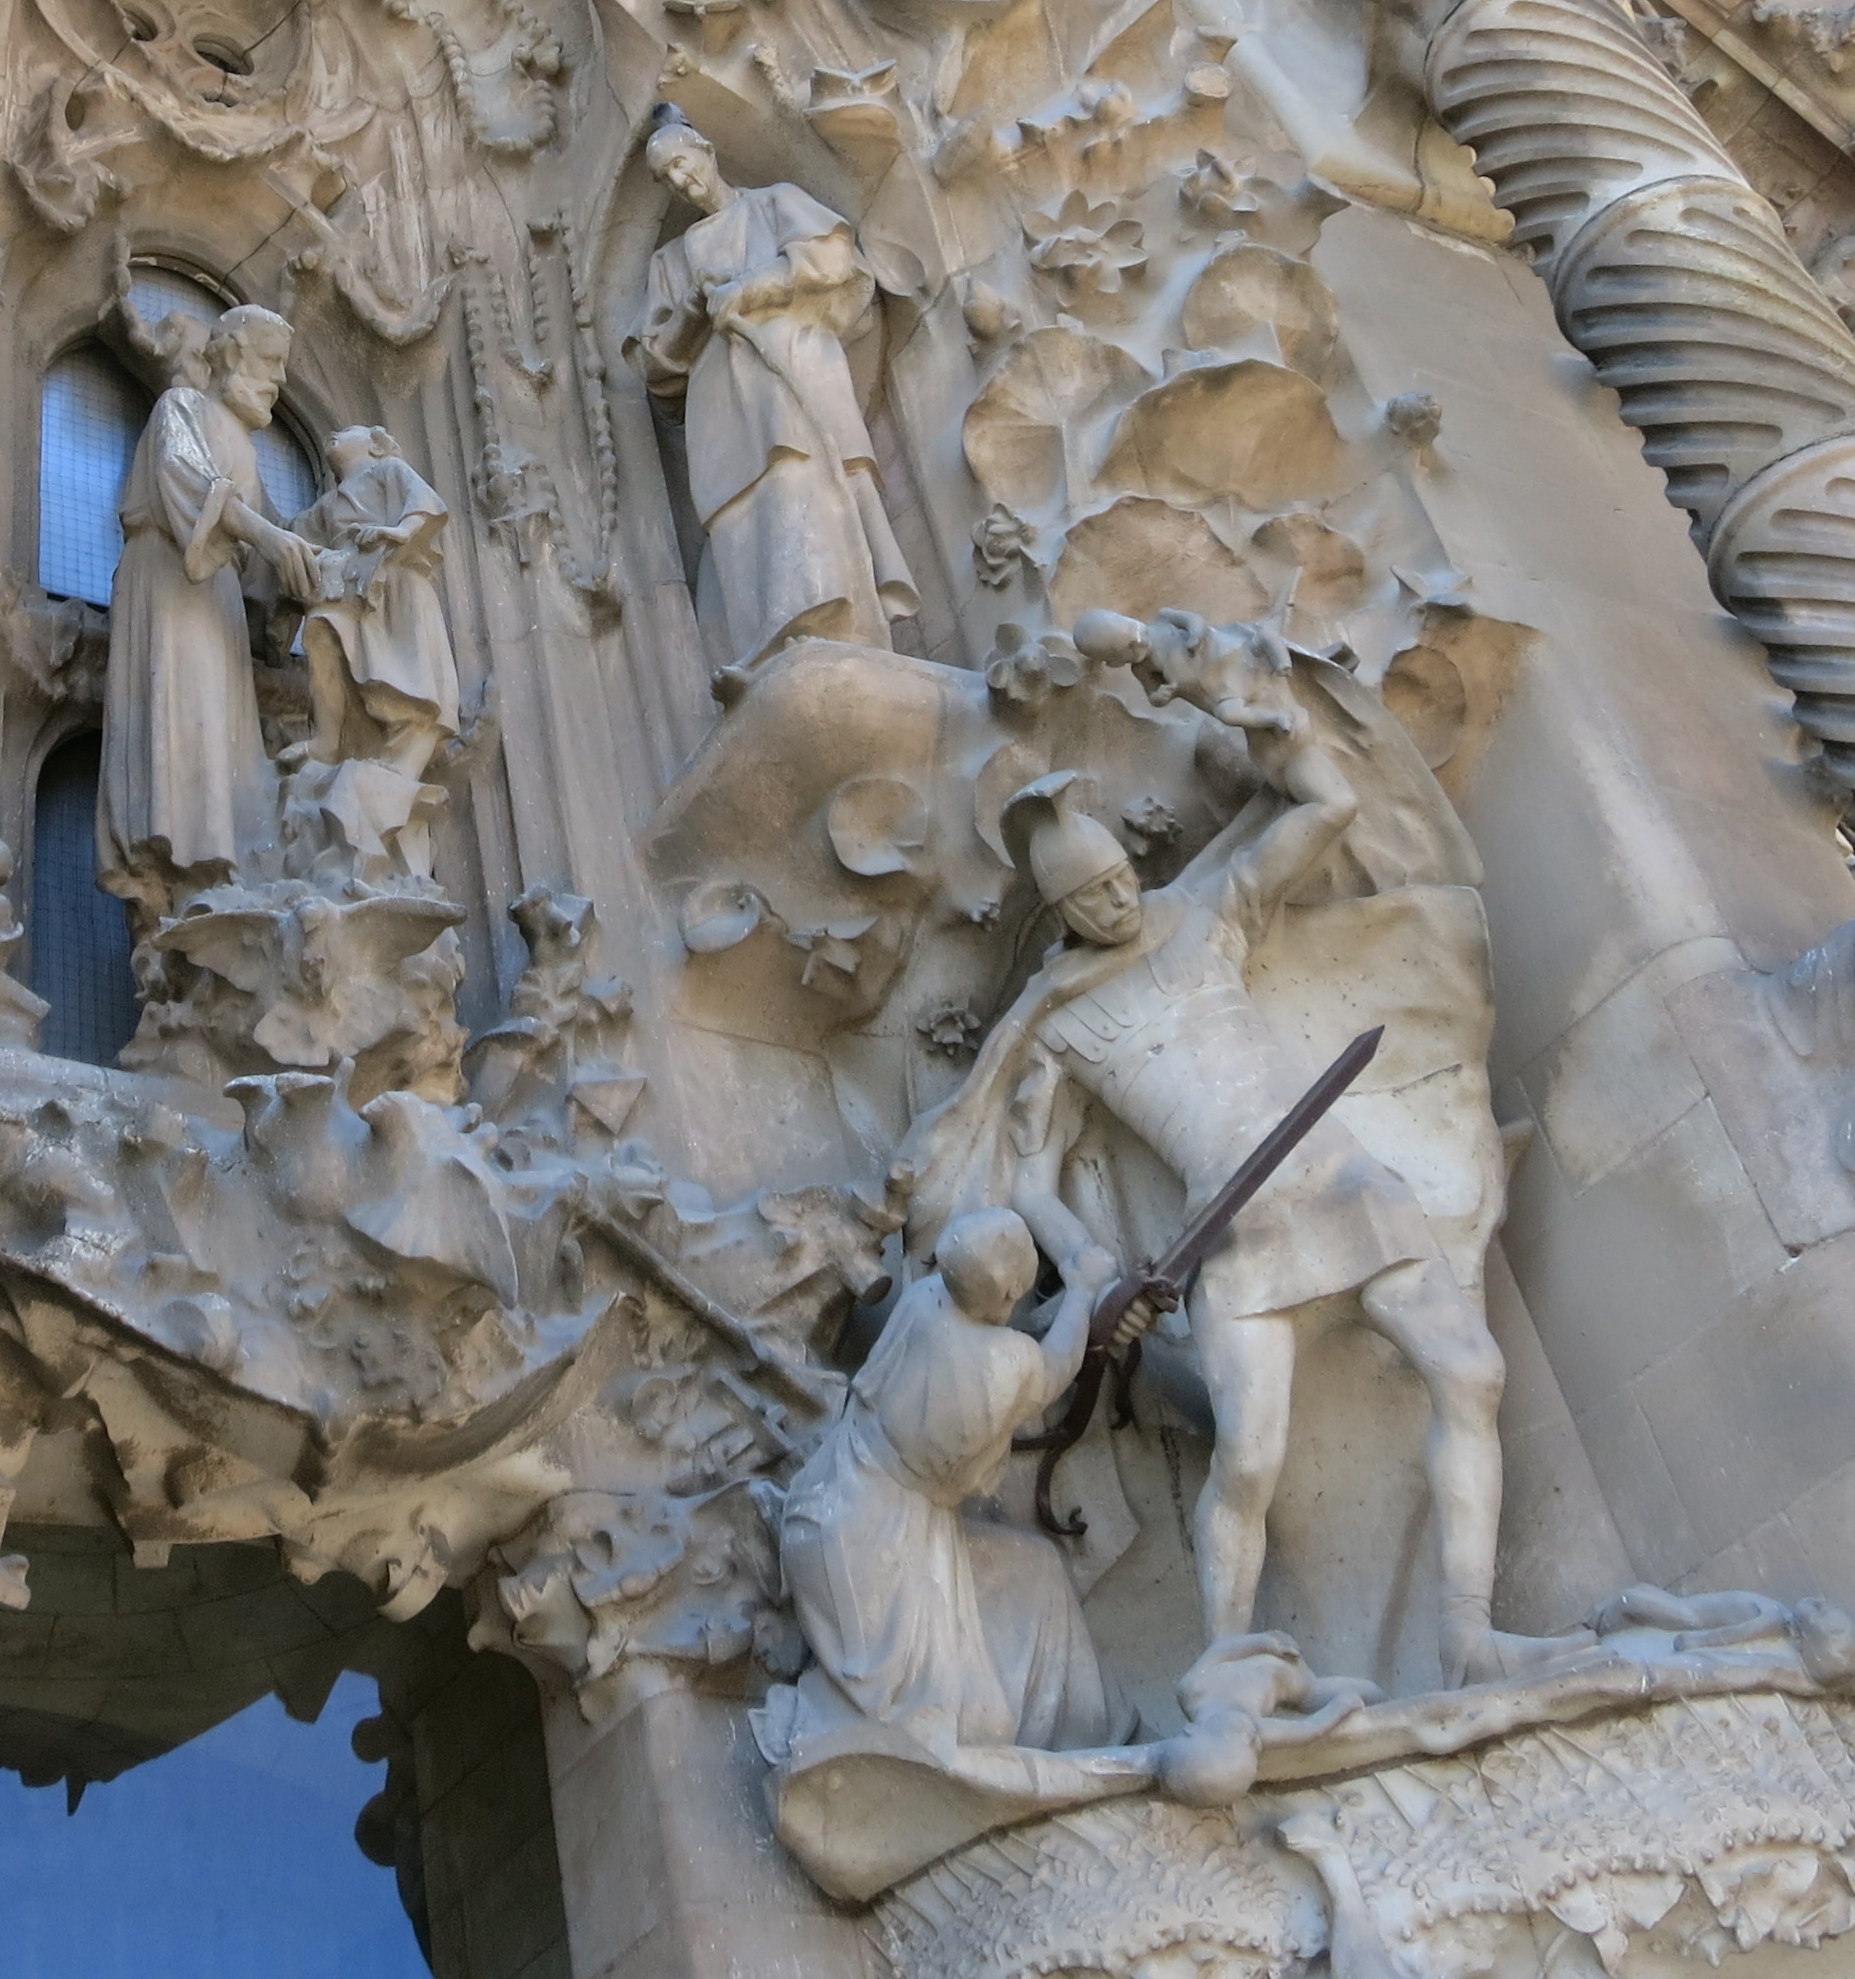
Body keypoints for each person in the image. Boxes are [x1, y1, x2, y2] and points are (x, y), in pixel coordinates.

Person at [915, 621, 1527, 1681]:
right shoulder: (1053, 1023)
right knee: (1247, 1459)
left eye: (1121, 876)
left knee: (1470, 1373)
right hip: (1234, 1235)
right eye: (1095, 895)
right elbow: (1027, 1179)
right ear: (1061, 913)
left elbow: (1327, 807)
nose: (1120, 898)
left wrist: (1239, 704)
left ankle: (1468, 1632)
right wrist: (1095, 1272)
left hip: (1340, 1180)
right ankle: (1222, 1665)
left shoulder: (1201, 916)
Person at [764, 1207, 1120, 1768]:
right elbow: (1056, 1366)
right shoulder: (1007, 1364)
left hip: (829, 1502)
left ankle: (1091, 1736)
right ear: (1011, 1292)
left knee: (1038, 1569)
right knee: (973, 1726)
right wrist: (1082, 1289)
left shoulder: (924, 1300)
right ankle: (1082, 1745)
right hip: (882, 1554)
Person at [629, 108, 918, 679]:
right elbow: (652, 359)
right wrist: (691, 311)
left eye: (682, 164)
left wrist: (753, 288)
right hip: (720, 400)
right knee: (737, 505)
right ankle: (758, 639)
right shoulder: (671, 260)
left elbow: (833, 261)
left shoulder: (774, 203)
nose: (681, 181)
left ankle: (825, 617)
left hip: (790, 364)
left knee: (796, 470)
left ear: (706, 150)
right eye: (667, 177)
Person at [98, 300, 293, 902]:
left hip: (218, 598)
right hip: (173, 583)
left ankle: (220, 867)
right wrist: (268, 538)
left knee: (223, 735)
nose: (280, 379)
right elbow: (187, 480)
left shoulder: (245, 449)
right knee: (182, 713)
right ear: (231, 354)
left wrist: (319, 564)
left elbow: (270, 545)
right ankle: (176, 868)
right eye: (271, 361)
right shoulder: (181, 407)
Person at [255, 426, 459, 875]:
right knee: (322, 631)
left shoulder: (388, 470)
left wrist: (398, 531)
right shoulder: (327, 506)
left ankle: (400, 764)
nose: (334, 434)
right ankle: (329, 740)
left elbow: (423, 504)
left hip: (397, 586)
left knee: (412, 680)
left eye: (346, 432)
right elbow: (292, 540)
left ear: (375, 444)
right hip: (348, 589)